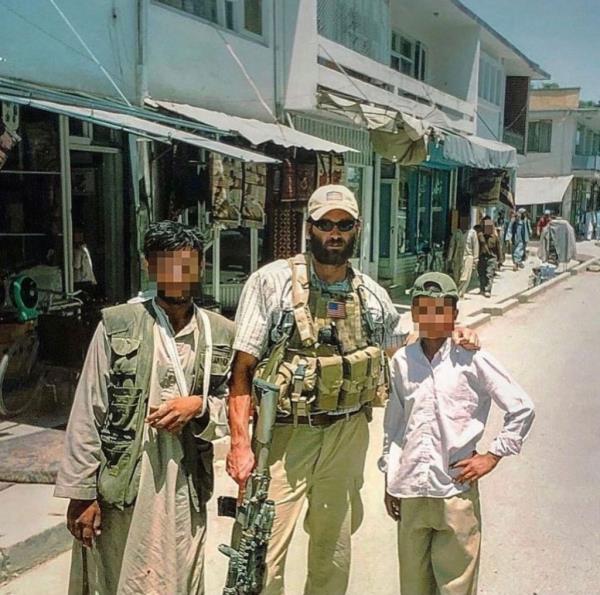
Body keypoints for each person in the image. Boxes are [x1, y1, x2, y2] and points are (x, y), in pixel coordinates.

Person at [226, 184, 480, 595]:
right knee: (261, 551)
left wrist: (455, 331)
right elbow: (241, 372)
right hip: (284, 437)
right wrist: (240, 445)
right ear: (309, 228)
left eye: (343, 225)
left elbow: (406, 340)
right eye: (325, 224)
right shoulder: (271, 283)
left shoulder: (371, 295)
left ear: (356, 229)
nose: (334, 233)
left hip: (346, 435)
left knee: (333, 552)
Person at [54, 221, 235, 595]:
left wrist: (199, 406)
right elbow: (89, 411)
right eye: (167, 264)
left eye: (187, 264)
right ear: (148, 267)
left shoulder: (219, 332)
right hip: (124, 486)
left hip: (184, 485)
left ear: (200, 267)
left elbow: (235, 407)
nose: (178, 275)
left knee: (180, 575)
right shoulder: (119, 325)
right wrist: (82, 492)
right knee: (119, 578)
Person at [381, 272, 535, 595]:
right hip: (411, 495)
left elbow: (521, 407)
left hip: (454, 494)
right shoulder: (402, 363)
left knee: (456, 589)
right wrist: (390, 480)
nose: (433, 316)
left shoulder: (471, 359)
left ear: (454, 313)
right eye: (424, 308)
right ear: (413, 313)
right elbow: (394, 428)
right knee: (412, 588)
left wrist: (491, 456)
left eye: (441, 309)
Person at [476, 218, 501, 298]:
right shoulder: (480, 236)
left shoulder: (494, 237)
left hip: (491, 258)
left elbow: (498, 249)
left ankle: (488, 290)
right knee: (481, 274)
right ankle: (482, 289)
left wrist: (500, 260)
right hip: (482, 258)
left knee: (489, 274)